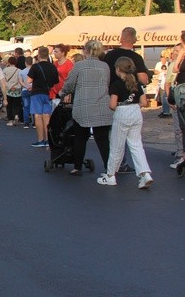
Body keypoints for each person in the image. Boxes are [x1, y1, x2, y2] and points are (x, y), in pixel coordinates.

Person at [97, 57, 154, 189]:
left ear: (118, 69)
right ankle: (145, 174)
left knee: (117, 146)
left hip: (122, 112)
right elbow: (144, 103)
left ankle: (110, 175)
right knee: (136, 145)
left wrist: (121, 105)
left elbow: (112, 105)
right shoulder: (136, 84)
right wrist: (134, 105)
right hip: (136, 112)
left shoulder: (116, 85)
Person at [58, 40, 113, 175]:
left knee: (80, 138)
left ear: (86, 50)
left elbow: (69, 84)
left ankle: (77, 167)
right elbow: (107, 83)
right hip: (101, 105)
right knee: (103, 139)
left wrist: (63, 93)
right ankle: (109, 168)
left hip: (83, 105)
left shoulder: (80, 66)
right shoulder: (105, 66)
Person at [27, 47, 59, 148]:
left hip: (36, 93)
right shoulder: (53, 67)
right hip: (48, 93)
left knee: (38, 116)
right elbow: (56, 81)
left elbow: (29, 80)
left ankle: (40, 139)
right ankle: (48, 140)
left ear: (39, 55)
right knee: (47, 116)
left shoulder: (35, 67)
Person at [3, 56, 22, 126]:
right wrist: (17, 87)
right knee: (17, 105)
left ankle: (10, 120)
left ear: (9, 62)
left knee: (9, 106)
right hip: (17, 90)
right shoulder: (19, 70)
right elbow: (21, 81)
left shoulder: (5, 70)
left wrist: (9, 87)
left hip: (8, 90)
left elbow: (3, 81)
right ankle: (16, 116)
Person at [19, 56, 33, 128]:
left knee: (26, 106)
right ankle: (34, 123)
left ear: (25, 63)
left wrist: (26, 86)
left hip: (25, 89)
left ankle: (26, 122)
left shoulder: (22, 71)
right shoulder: (34, 70)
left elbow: (20, 81)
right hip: (34, 90)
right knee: (34, 106)